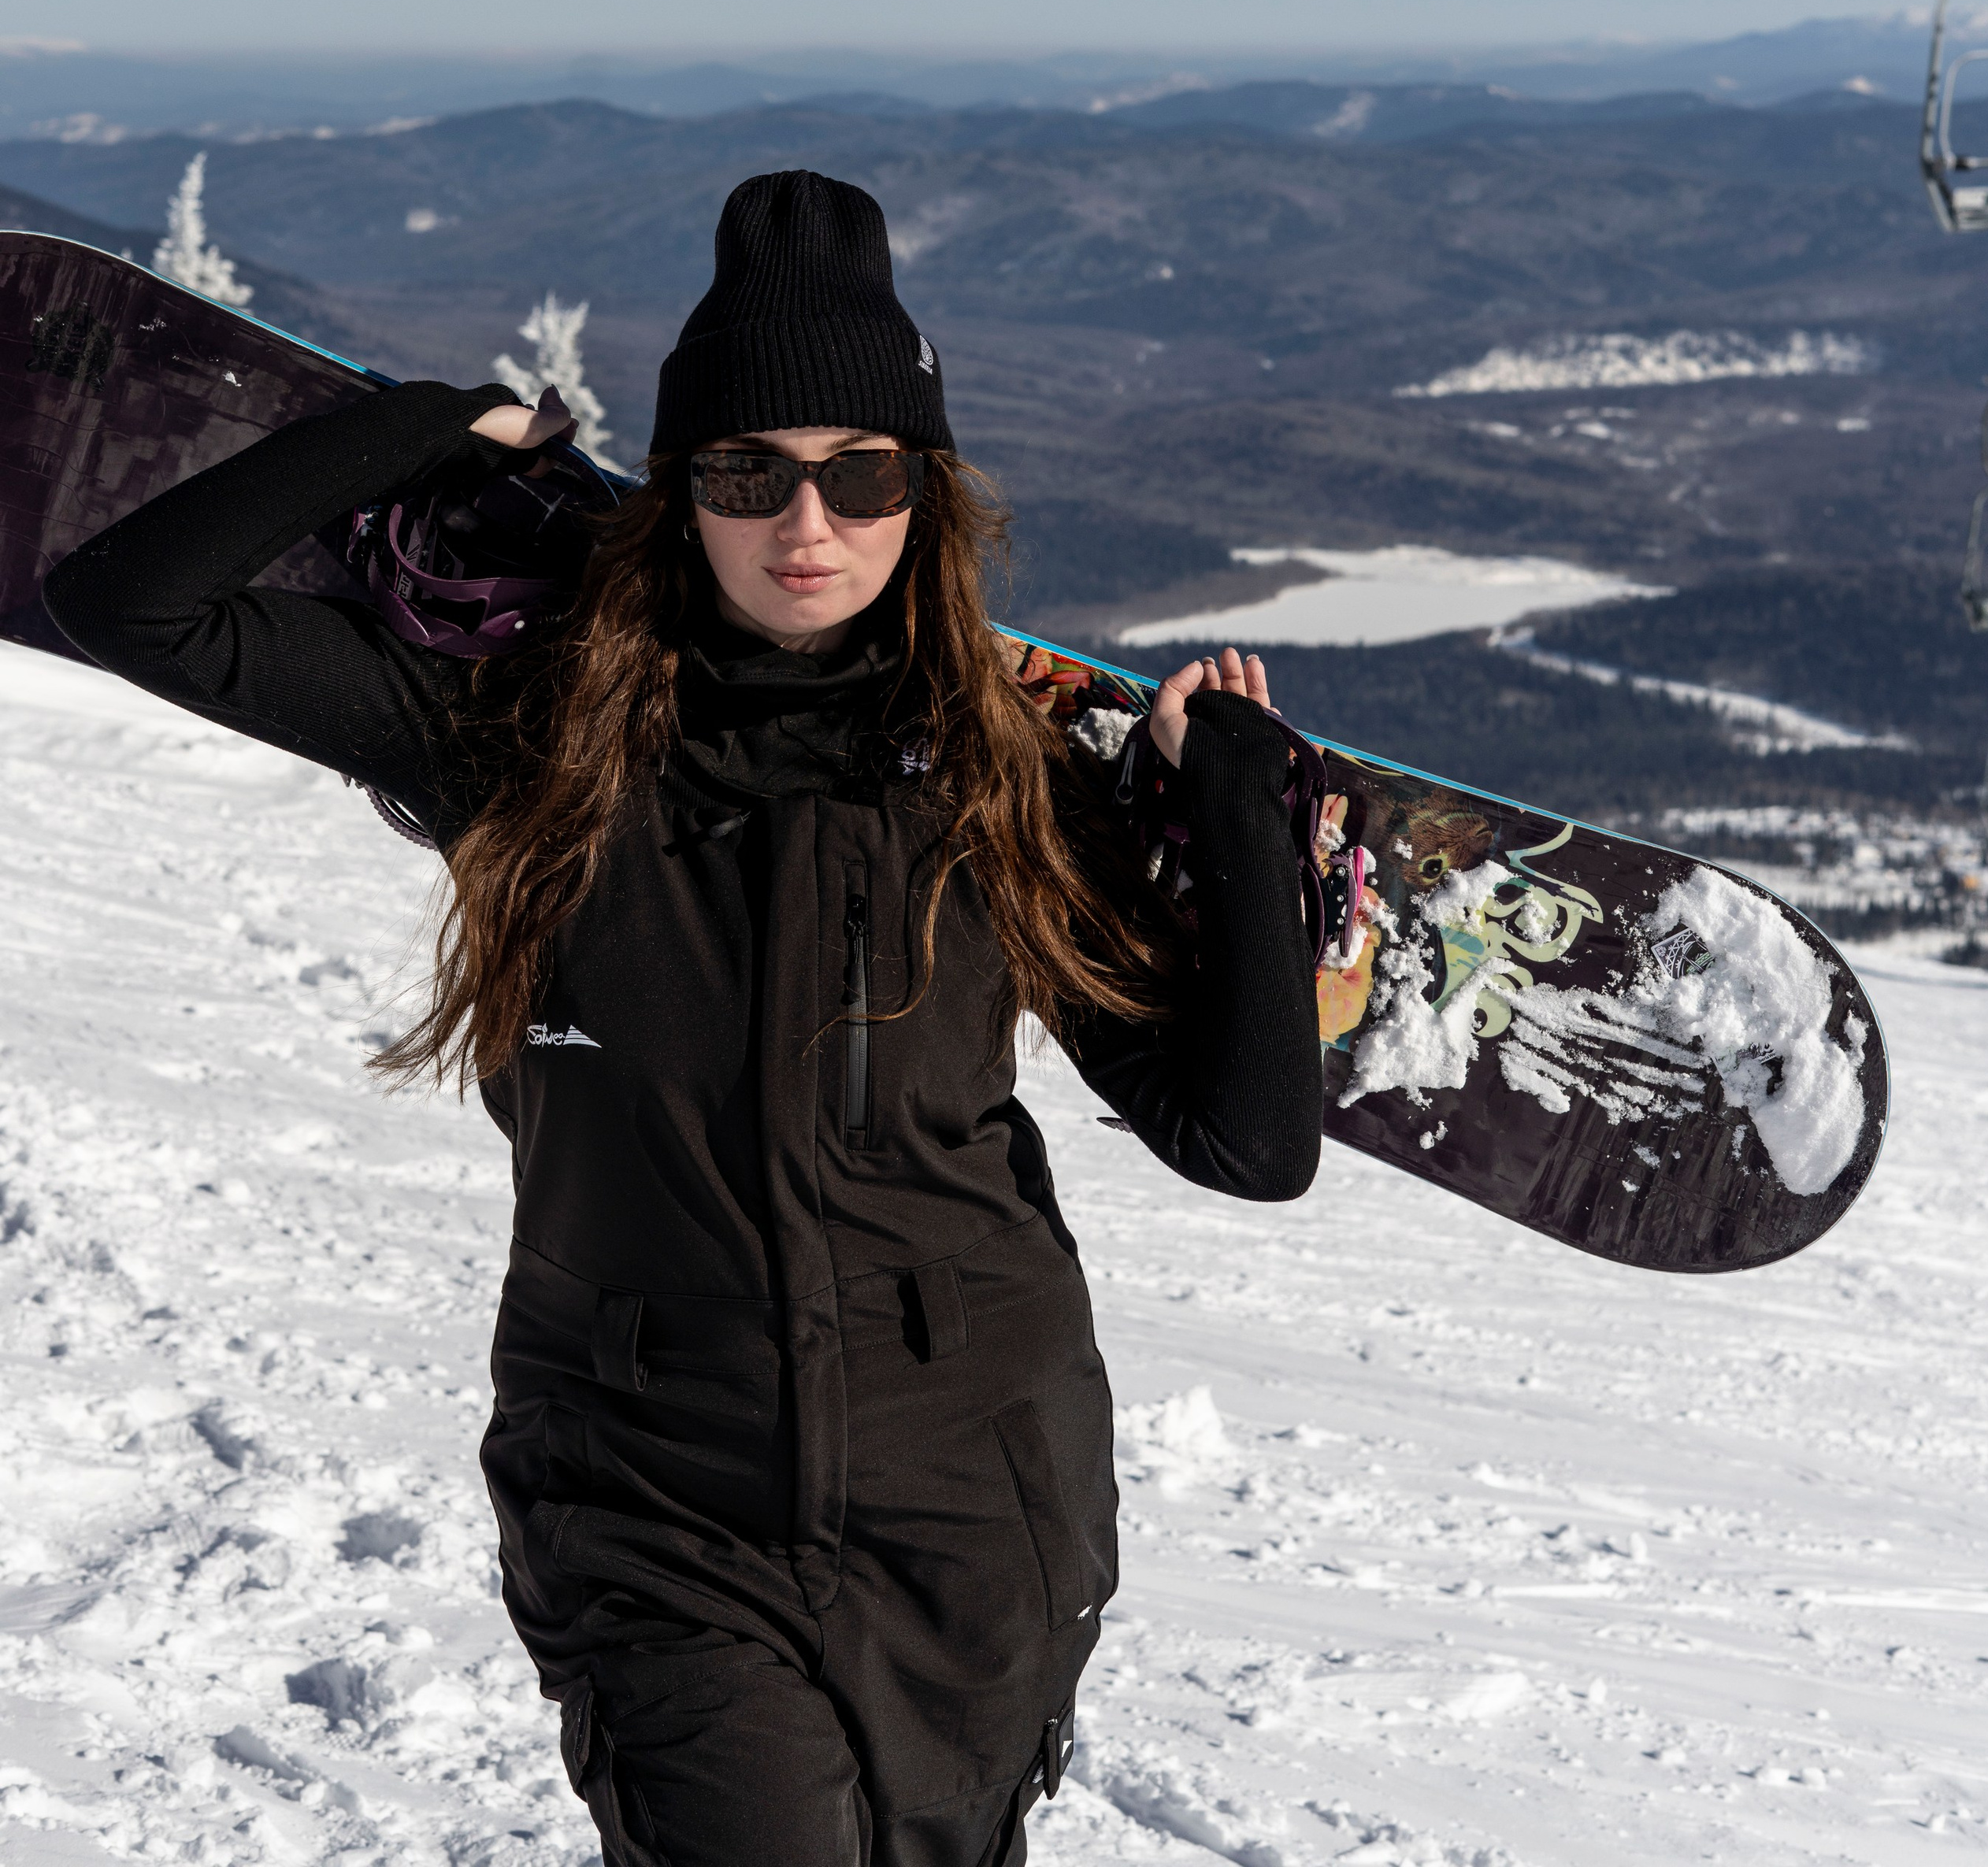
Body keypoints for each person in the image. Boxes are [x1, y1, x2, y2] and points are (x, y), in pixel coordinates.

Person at [46, 168, 1322, 1867]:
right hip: (651, 1498)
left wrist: (1235, 822)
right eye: (746, 472)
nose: (807, 521)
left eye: (860, 473)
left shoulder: (1009, 790)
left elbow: (1243, 1142)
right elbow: (125, 603)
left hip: (973, 1500)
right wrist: (419, 429)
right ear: (681, 497)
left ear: (920, 499)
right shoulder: (523, 747)